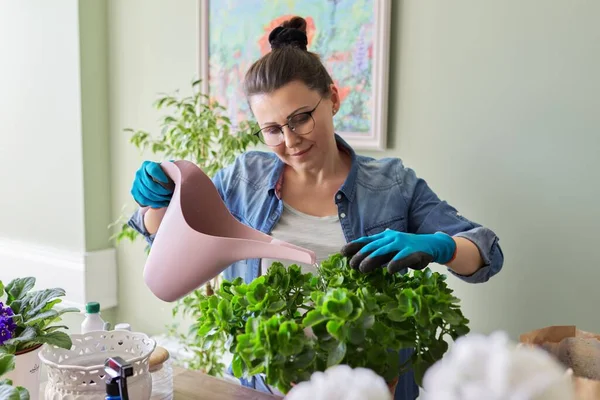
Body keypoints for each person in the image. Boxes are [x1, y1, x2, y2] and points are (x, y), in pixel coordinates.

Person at [127, 16, 504, 400]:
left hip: (372, 391)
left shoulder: (392, 184)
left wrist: (443, 246)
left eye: (300, 118)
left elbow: (485, 251)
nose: (290, 140)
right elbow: (170, 243)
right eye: (272, 129)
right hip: (266, 390)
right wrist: (155, 203)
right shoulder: (244, 180)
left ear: (334, 98)